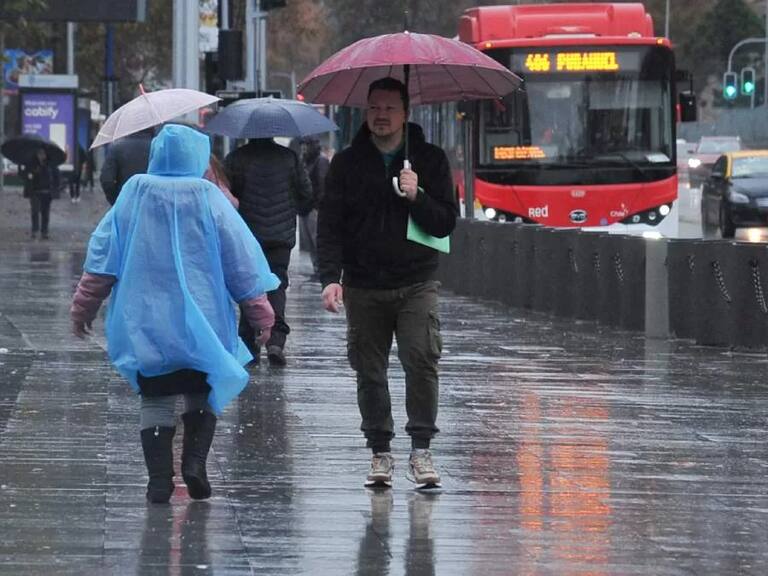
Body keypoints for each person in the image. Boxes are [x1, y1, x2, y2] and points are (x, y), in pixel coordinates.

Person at [70, 124, 279, 504]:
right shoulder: (209, 197)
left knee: (156, 397)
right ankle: (194, 464)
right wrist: (262, 314)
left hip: (146, 321)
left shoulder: (134, 193)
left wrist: (83, 308)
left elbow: (102, 258)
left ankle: (159, 479)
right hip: (203, 320)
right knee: (200, 391)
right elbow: (241, 262)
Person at [317, 77, 457, 488]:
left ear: (405, 113)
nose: (381, 115)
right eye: (374, 107)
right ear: (366, 112)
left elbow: (446, 221)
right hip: (363, 285)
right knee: (369, 371)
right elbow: (330, 226)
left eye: (390, 108)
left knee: (421, 359)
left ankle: (421, 449)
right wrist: (331, 278)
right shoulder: (346, 163)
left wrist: (419, 196)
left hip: (417, 281)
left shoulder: (429, 159)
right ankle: (380, 451)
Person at [225, 136, 313, 366]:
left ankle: (249, 342)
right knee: (277, 285)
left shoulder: (236, 158)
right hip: (280, 237)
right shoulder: (289, 158)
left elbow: (227, 196)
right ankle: (276, 340)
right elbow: (306, 195)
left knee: (248, 286)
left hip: (247, 236)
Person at [298, 136, 330, 278]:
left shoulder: (320, 161)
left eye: (306, 145)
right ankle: (317, 268)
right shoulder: (305, 161)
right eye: (302, 145)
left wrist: (318, 206)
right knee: (310, 242)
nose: (304, 148)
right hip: (306, 207)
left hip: (314, 208)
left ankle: (321, 268)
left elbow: (323, 184)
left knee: (316, 239)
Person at [100, 127, 153, 205]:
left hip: (125, 203)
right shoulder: (158, 148)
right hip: (151, 204)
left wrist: (116, 201)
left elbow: (106, 179)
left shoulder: (116, 148)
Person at [23, 147, 61, 240]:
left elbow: (57, 176)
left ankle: (44, 232)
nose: (41, 156)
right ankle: (35, 230)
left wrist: (56, 186)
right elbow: (25, 176)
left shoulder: (50, 164)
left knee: (45, 213)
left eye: (43, 154)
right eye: (39, 153)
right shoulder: (32, 164)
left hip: (47, 192)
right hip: (35, 192)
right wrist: (28, 172)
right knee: (35, 211)